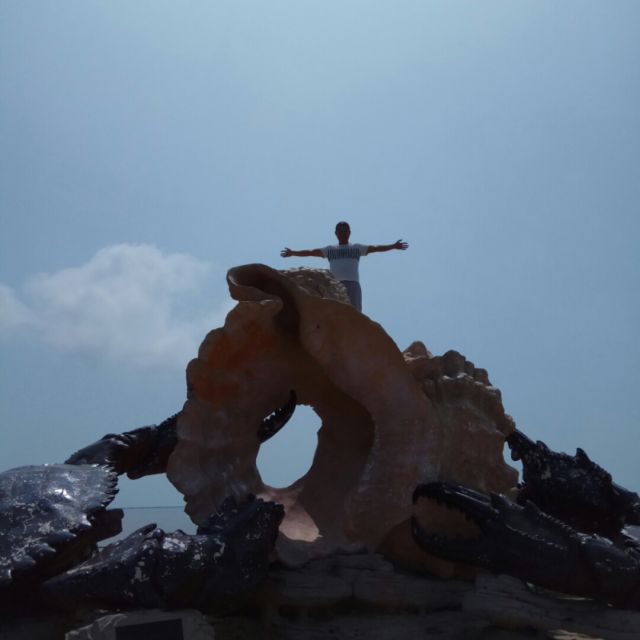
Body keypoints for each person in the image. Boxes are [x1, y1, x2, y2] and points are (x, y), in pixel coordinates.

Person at [280, 221, 409, 311]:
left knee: (355, 312)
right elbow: (311, 252)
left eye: (345, 230)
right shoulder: (330, 250)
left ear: (349, 232)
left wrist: (393, 246)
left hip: (353, 284)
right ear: (336, 233)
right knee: (336, 311)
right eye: (340, 230)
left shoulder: (356, 248)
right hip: (335, 285)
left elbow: (375, 248)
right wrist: (293, 253)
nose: (343, 232)